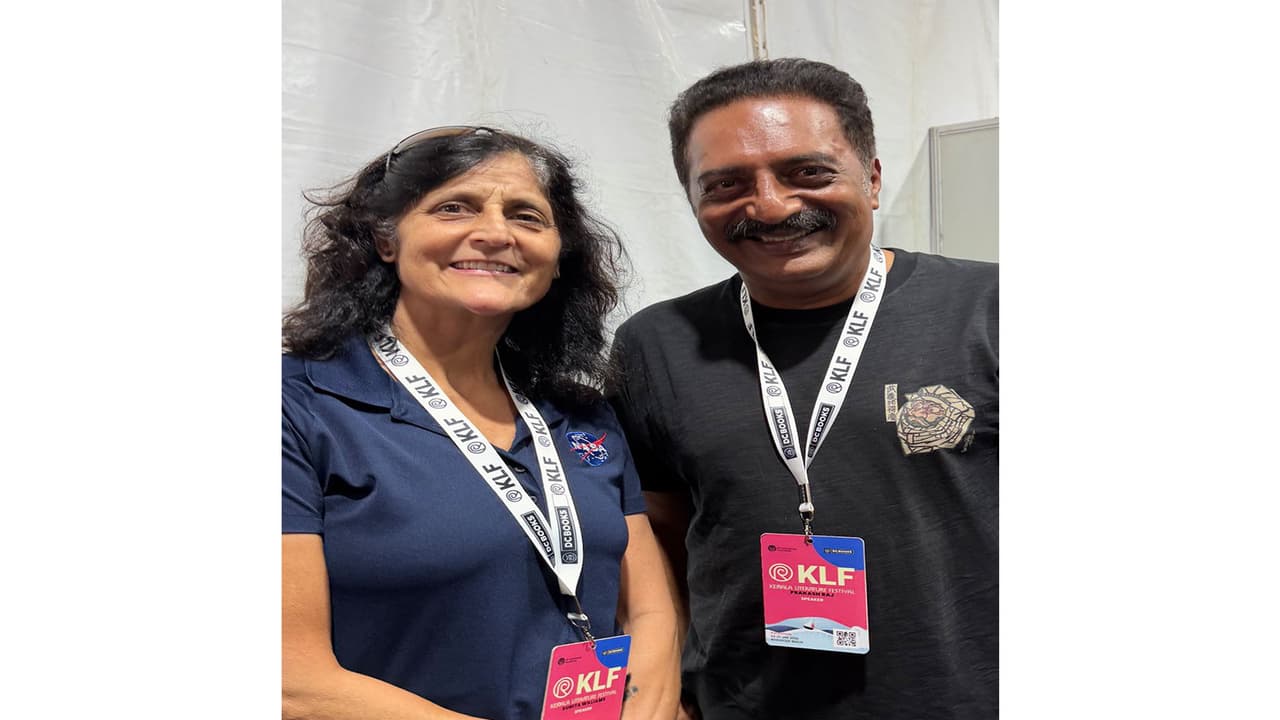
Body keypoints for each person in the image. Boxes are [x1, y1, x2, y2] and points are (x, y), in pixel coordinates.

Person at [609, 59, 998, 719]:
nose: (770, 205)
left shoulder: (991, 309)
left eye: (808, 172)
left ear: (872, 179)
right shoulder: (656, 345)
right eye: (727, 183)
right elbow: (661, 541)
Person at [282, 126, 681, 719]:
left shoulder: (581, 414)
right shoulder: (295, 406)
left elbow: (649, 611)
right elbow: (292, 681)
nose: (495, 233)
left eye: (526, 216)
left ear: (557, 257)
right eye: (454, 207)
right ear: (386, 239)